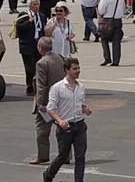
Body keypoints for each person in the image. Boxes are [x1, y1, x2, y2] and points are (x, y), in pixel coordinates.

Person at [41, 57, 92, 182]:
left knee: (80, 157)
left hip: (79, 125)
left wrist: (85, 109)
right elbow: (50, 109)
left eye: (78, 68)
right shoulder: (57, 88)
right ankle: (48, 174)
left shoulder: (81, 87)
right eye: (75, 69)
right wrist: (60, 120)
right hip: (65, 127)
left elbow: (81, 104)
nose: (78, 71)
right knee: (63, 156)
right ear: (67, 70)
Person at [28, 37, 66, 166]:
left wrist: (40, 103)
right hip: (61, 99)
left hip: (48, 102)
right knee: (63, 128)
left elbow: (41, 85)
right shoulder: (60, 58)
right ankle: (65, 156)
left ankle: (43, 156)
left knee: (41, 129)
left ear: (40, 48)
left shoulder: (42, 63)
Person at [94, 0, 123, 67]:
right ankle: (116, 60)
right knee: (116, 41)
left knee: (104, 38)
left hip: (107, 21)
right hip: (118, 20)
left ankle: (107, 57)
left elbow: (101, 10)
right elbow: (123, 9)